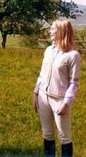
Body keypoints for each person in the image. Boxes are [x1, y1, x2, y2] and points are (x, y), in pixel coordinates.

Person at [33, 19, 81, 157]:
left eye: (53, 29)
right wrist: (36, 93)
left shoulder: (73, 55)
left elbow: (74, 83)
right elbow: (42, 74)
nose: (49, 31)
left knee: (64, 136)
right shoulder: (48, 50)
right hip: (43, 98)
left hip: (60, 101)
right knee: (47, 133)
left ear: (61, 31)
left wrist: (66, 103)